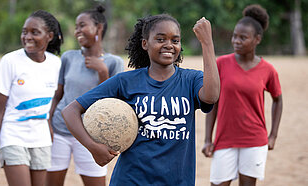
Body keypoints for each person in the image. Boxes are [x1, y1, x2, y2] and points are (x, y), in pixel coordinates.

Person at [61, 13, 220, 185]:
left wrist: (207, 43)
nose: (169, 45)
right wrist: (93, 148)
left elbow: (211, 96)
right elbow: (70, 111)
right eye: (160, 39)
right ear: (145, 43)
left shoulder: (191, 79)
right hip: (131, 179)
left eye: (175, 41)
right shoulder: (126, 81)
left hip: (177, 181)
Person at [201, 4, 283, 186]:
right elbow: (212, 102)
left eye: (243, 38)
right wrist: (208, 139)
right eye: (235, 36)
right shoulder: (221, 64)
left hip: (254, 140)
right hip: (224, 139)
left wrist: (273, 136)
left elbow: (278, 99)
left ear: (257, 39)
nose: (236, 41)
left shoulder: (268, 70)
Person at [0, 10, 63, 186]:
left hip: (41, 139)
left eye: (35, 32)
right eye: (24, 31)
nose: (27, 37)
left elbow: (57, 99)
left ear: (49, 36)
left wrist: (49, 126)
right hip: (13, 136)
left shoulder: (56, 64)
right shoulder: (10, 61)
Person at [46, 5, 124, 186]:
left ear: (99, 28)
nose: (77, 31)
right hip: (59, 131)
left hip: (92, 136)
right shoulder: (68, 57)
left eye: (82, 25)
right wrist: (48, 122)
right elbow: (58, 95)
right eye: (76, 27)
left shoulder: (114, 62)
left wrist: (102, 72)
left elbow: (112, 105)